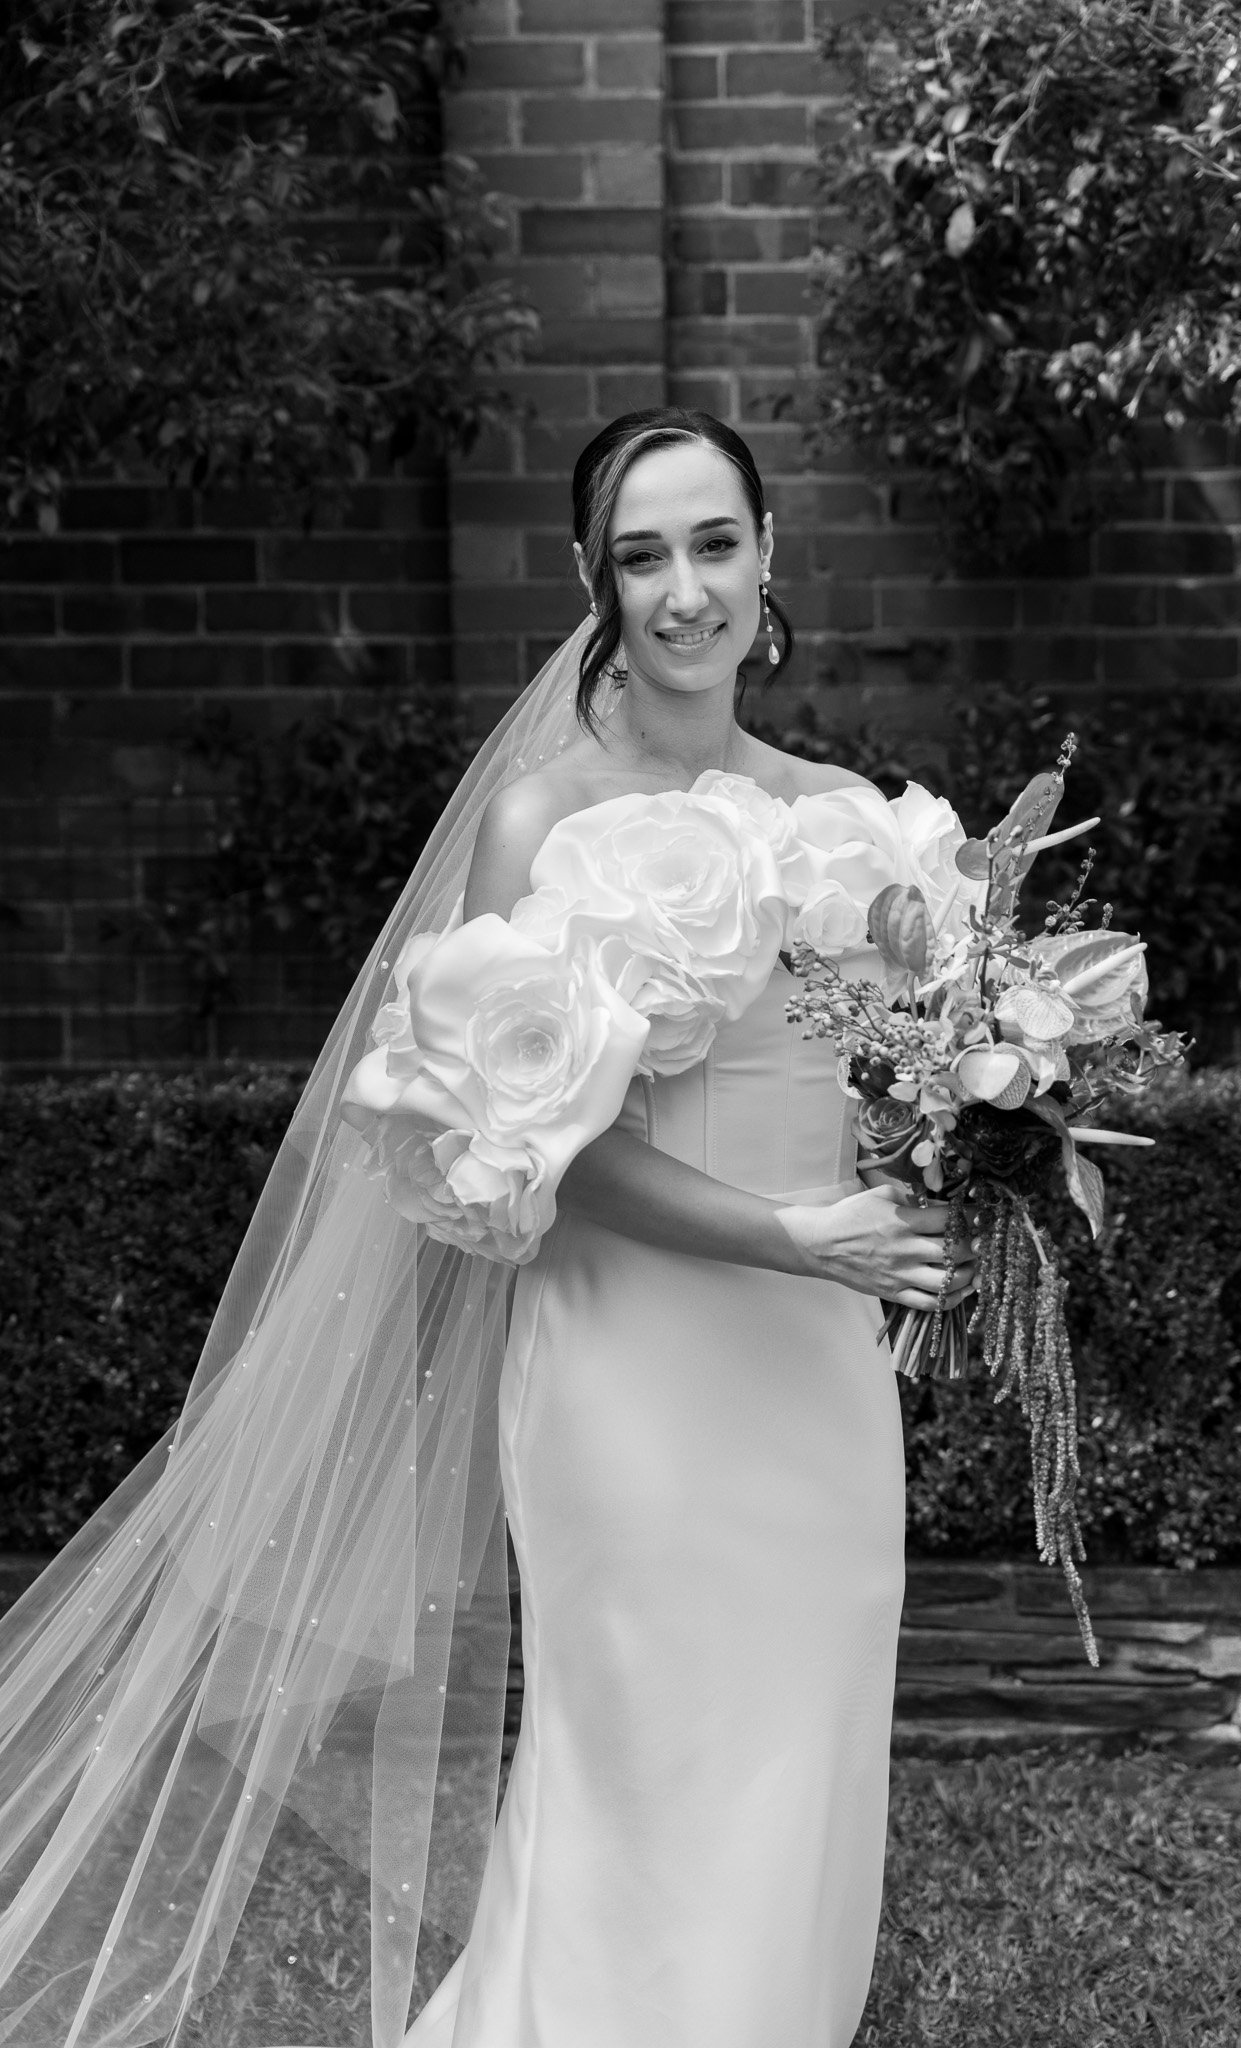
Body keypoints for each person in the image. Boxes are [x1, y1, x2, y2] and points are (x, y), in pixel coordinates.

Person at [0, 409, 975, 2048]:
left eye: (714, 544)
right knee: (642, 1777)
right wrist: (796, 1237)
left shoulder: (849, 817)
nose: (684, 590)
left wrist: (961, 1145)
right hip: (631, 1379)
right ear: (587, 576)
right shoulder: (543, 821)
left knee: (795, 1785)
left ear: (768, 559)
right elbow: (530, 1149)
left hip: (815, 1384)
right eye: (644, 554)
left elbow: (881, 1094)